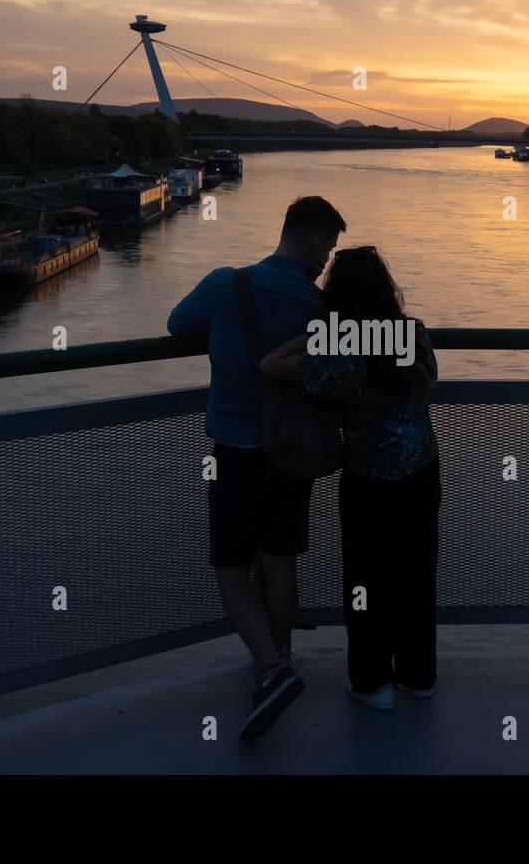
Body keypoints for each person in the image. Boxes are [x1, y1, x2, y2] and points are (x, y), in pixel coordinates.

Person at [167, 195, 346, 743]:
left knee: (229, 568)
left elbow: (177, 326)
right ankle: (280, 656)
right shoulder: (321, 309)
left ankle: (270, 669)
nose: (326, 261)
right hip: (292, 452)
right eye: (328, 249)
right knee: (279, 560)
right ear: (314, 241)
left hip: (235, 451)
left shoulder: (226, 286)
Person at [260, 246, 440, 711]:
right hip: (422, 473)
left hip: (368, 484)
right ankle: (419, 675)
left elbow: (270, 365)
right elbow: (430, 379)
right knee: (416, 574)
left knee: (367, 581)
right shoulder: (412, 334)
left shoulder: (340, 353)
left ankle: (371, 681)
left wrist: (313, 333)